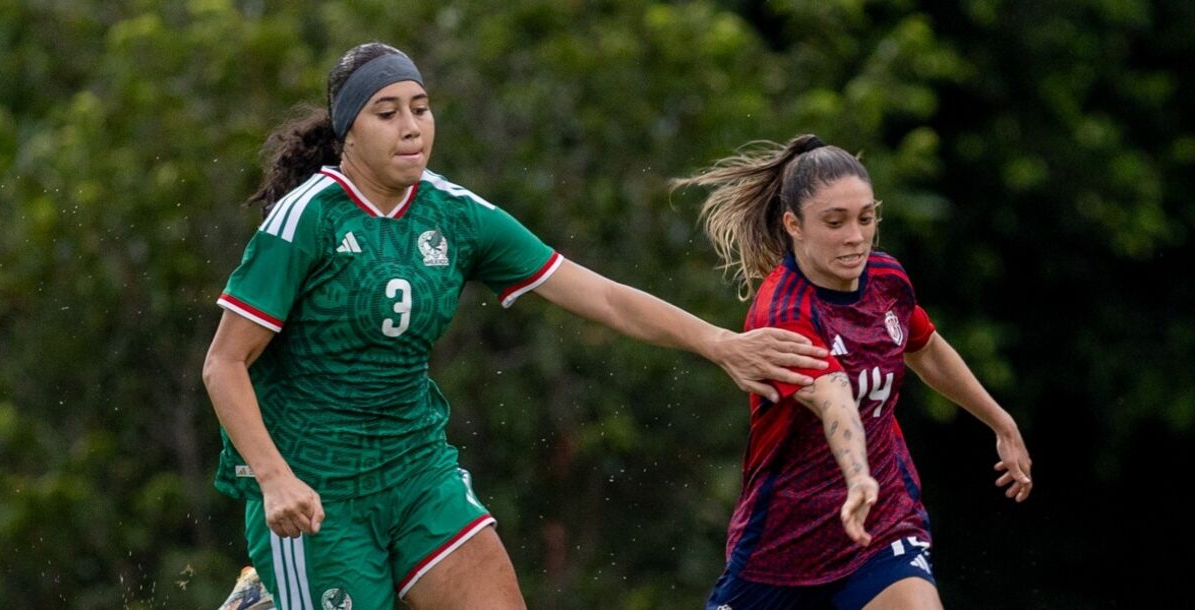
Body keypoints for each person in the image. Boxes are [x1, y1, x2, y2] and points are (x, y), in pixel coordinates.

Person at [202, 42, 830, 610]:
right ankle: (266, 597)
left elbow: (602, 297)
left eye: (420, 107)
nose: (412, 126)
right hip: (316, 496)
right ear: (349, 133)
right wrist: (275, 477)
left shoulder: (456, 214)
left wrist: (721, 342)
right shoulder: (306, 218)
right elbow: (224, 364)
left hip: (417, 473)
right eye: (386, 112)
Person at [672, 135, 1034, 610]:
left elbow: (924, 348)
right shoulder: (782, 312)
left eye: (866, 218)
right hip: (781, 549)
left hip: (884, 525)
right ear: (793, 225)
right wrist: (857, 475)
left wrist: (999, 420)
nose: (856, 237)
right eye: (835, 222)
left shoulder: (886, 279)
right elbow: (832, 395)